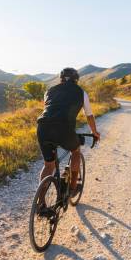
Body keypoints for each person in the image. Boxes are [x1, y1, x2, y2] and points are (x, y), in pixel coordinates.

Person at [36, 67, 100, 197]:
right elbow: (89, 116)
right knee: (76, 151)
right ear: (76, 80)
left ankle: (40, 203)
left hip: (43, 127)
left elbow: (50, 109)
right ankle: (72, 188)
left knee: (49, 165)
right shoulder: (81, 92)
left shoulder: (49, 91)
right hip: (64, 128)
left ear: (61, 79)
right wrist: (94, 132)